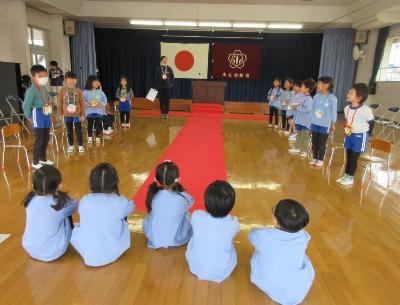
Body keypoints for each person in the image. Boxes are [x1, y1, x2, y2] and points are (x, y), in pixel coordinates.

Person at [249, 199, 314, 305]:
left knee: (258, 254)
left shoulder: (264, 235)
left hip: (276, 288)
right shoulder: (304, 236)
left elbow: (251, 236)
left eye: (274, 210)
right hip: (299, 288)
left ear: (275, 220)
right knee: (302, 257)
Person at [71, 163, 134, 267]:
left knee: (78, 226)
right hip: (112, 251)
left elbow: (81, 211)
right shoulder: (119, 202)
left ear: (92, 183)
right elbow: (131, 206)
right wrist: (121, 197)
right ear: (115, 183)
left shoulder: (85, 200)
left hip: (87, 249)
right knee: (123, 221)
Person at [186, 180, 240, 283]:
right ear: (231, 206)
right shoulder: (233, 223)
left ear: (204, 201)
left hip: (196, 266)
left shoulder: (197, 216)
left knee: (195, 237)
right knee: (227, 243)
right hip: (223, 270)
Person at [22, 165, 77, 262]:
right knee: (66, 215)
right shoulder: (60, 204)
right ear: (60, 185)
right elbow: (75, 205)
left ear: (33, 185)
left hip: (30, 248)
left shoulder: (30, 199)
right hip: (53, 252)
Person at [143, 161, 194, 249]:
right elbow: (191, 202)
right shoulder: (182, 197)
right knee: (186, 214)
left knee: (152, 215)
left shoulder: (153, 195)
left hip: (154, 237)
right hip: (177, 238)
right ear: (177, 179)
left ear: (157, 179)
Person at [336, 83, 374, 186]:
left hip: (360, 137)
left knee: (353, 158)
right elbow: (348, 121)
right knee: (348, 156)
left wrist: (368, 135)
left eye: (351, 93)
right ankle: (346, 175)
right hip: (349, 135)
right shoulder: (346, 108)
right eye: (349, 92)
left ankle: (350, 178)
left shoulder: (366, 110)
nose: (348, 94)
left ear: (359, 97)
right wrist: (347, 132)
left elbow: (371, 123)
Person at [22, 65, 54, 170]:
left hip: (46, 113)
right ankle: (35, 162)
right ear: (33, 77)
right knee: (39, 140)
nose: (43, 77)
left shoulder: (44, 88)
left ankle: (43, 159)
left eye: (45, 75)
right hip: (37, 114)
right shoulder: (31, 90)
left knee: (46, 138)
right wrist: (29, 117)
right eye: (40, 76)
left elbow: (46, 96)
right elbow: (26, 105)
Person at [310, 76, 337, 168]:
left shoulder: (332, 98)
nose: (318, 85)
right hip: (314, 122)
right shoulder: (316, 96)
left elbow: (333, 112)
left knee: (321, 143)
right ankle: (314, 157)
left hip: (325, 124)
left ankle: (320, 159)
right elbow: (312, 109)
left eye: (320, 83)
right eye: (318, 83)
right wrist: (310, 121)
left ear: (327, 85)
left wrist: (333, 123)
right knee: (314, 141)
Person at [58, 71, 85, 153]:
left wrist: (83, 114)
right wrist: (60, 113)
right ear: (66, 80)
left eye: (74, 79)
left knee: (78, 131)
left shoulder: (79, 91)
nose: (72, 81)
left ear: (76, 80)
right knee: (69, 131)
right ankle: (71, 145)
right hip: (67, 115)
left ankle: (80, 145)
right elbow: (60, 103)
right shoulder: (62, 90)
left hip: (77, 115)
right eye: (70, 79)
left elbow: (82, 103)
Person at [288, 78, 316, 157]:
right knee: (298, 134)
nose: (301, 88)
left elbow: (307, 109)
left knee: (305, 136)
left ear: (307, 89)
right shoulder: (301, 96)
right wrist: (294, 106)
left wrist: (297, 107)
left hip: (305, 121)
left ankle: (304, 150)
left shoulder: (309, 99)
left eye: (302, 87)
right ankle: (297, 147)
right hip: (299, 120)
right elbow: (297, 105)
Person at [83, 75, 108, 144]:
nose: (97, 83)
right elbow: (82, 100)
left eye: (98, 81)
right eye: (95, 81)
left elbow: (105, 99)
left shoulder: (100, 91)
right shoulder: (85, 92)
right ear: (91, 82)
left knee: (97, 124)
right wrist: (88, 104)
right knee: (90, 124)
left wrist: (100, 104)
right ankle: (90, 137)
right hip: (89, 111)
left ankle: (97, 137)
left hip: (98, 111)